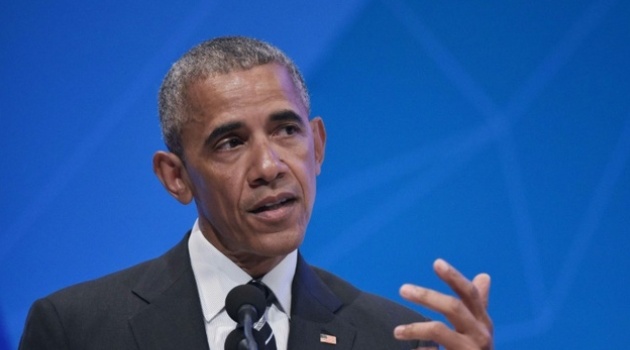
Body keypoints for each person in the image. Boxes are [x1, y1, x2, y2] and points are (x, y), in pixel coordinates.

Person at [19, 36, 493, 350]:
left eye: (287, 131)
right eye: (231, 143)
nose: (269, 166)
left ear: (318, 146)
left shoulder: (392, 338)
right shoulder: (76, 330)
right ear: (176, 177)